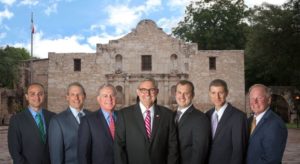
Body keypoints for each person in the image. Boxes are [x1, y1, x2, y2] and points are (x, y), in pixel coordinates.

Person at [114, 78, 178, 164]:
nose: (147, 94)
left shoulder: (168, 115)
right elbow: (119, 147)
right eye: (143, 90)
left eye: (151, 90)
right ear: (138, 92)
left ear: (157, 92)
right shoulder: (124, 115)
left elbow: (173, 147)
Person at [8, 83, 55, 164]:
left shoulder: (53, 117)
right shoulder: (16, 120)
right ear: (26, 96)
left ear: (44, 96)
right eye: (32, 94)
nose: (36, 97)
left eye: (40, 94)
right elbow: (14, 152)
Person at [206, 79, 248, 164]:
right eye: (213, 93)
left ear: (227, 93)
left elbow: (239, 150)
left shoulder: (238, 117)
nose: (217, 97)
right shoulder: (207, 115)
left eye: (220, 93)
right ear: (209, 94)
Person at [48, 82, 90, 164]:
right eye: (72, 94)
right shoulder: (57, 121)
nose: (76, 97)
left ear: (84, 96)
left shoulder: (92, 117)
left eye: (79, 94)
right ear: (67, 97)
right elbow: (56, 156)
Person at [246, 84, 288, 164]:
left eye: (259, 98)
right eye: (252, 98)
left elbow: (271, 160)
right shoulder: (249, 121)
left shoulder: (275, 124)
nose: (254, 102)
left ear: (269, 100)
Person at [78, 84, 117, 164]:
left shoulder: (123, 118)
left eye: (111, 95)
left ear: (116, 98)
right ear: (99, 99)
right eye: (105, 96)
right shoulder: (88, 121)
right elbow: (83, 154)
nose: (109, 99)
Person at [175, 80, 210, 164]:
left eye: (186, 93)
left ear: (192, 95)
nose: (182, 96)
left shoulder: (200, 118)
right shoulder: (171, 116)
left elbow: (200, 152)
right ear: (175, 94)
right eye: (179, 92)